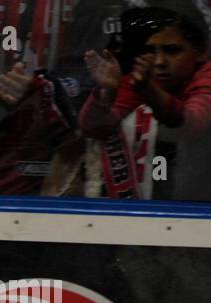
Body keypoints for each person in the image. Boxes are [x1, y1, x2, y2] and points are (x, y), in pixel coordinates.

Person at [79, 6, 211, 201]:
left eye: (172, 50)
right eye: (150, 51)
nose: (159, 61)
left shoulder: (205, 76)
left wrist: (149, 91)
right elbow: (93, 127)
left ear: (201, 52)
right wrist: (106, 94)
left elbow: (191, 124)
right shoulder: (143, 77)